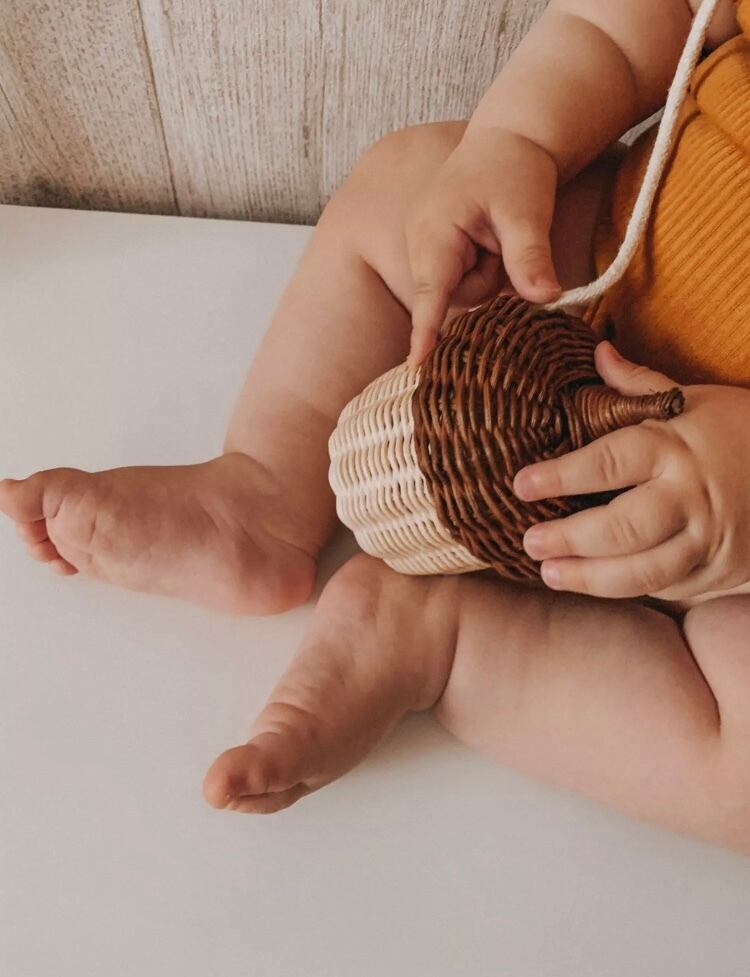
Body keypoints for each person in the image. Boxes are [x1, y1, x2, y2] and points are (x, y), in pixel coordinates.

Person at [2, 0, 749, 849]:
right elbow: (640, 17)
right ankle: (264, 486)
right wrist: (519, 142)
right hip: (599, 276)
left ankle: (445, 633)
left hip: (732, 536)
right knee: (407, 181)